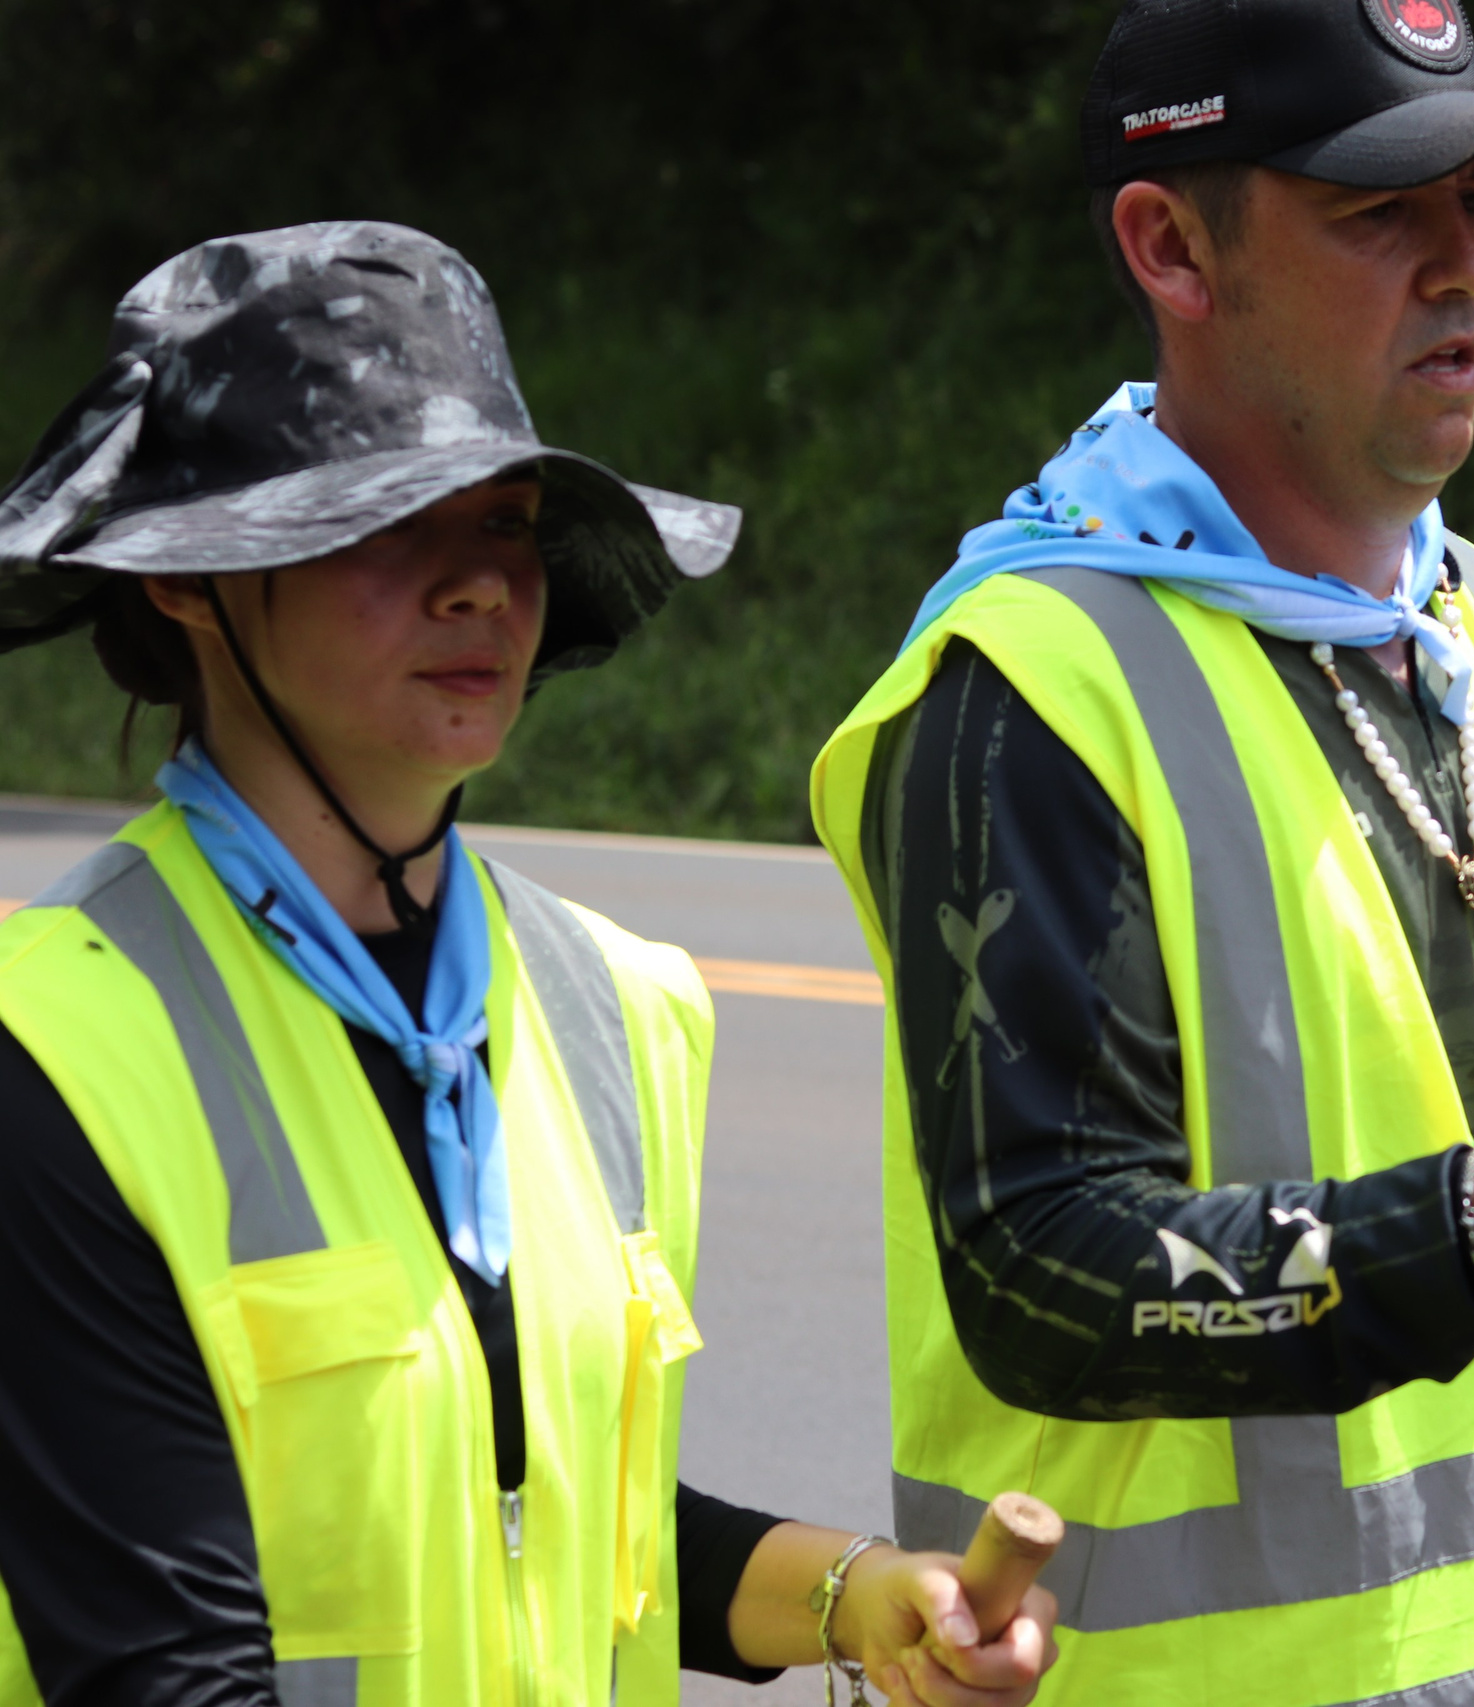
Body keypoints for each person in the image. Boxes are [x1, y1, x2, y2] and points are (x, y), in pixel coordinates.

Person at [810, 3, 1474, 1703]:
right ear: (1171, 248)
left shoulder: (1467, 621)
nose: (1462, 268)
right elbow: (1036, 1264)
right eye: (1377, 213)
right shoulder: (1029, 689)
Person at [0, 223, 1056, 1706]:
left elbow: (549, 1526)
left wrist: (858, 1595)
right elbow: (160, 1667)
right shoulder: (54, 1051)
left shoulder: (616, 1004)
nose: (478, 587)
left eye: (504, 525)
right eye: (386, 525)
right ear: (192, 583)